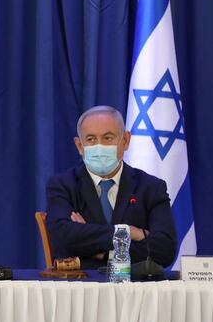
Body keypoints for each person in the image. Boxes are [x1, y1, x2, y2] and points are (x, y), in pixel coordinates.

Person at [45, 105, 177, 269]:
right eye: (91, 139)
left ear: (125, 141)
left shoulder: (151, 187)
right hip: (83, 281)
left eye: (108, 138)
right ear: (79, 146)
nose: (99, 146)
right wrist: (129, 232)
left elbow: (165, 250)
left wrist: (101, 250)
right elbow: (62, 239)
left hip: (134, 283)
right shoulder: (63, 185)